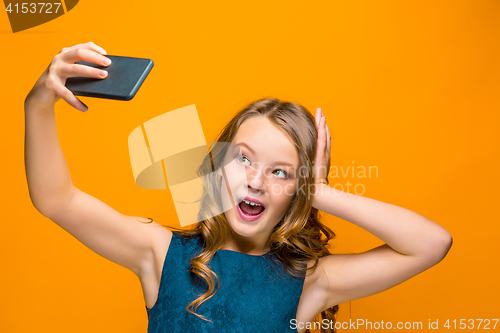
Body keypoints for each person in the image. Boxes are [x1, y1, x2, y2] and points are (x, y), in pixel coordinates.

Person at [24, 42, 453, 333]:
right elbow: (56, 198)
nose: (256, 180)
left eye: (281, 172)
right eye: (243, 158)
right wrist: (38, 104)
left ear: (296, 193)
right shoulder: (160, 252)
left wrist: (320, 191)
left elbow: (431, 243)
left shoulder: (310, 282)